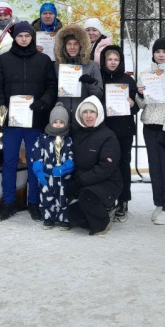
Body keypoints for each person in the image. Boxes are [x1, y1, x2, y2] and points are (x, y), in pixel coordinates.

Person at [0, 21, 57, 221]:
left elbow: (51, 87)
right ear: (15, 38)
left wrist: (43, 103)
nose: (24, 39)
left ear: (32, 37)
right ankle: (9, 202)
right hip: (12, 121)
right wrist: (0, 111)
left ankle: (34, 202)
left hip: (35, 120)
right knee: (9, 162)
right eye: (20, 36)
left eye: (27, 36)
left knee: (35, 162)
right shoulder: (4, 60)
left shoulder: (44, 60)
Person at [135, 38, 165, 225]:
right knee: (154, 167)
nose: (161, 55)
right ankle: (160, 203)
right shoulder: (146, 74)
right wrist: (139, 94)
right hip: (149, 126)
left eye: (164, 52)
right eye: (157, 52)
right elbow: (142, 105)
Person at [68, 97, 122, 236]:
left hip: (108, 182)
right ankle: (97, 210)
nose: (88, 116)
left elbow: (105, 167)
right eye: (85, 112)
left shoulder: (108, 136)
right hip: (85, 181)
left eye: (92, 112)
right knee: (70, 215)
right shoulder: (77, 133)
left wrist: (80, 182)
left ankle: (103, 222)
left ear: (99, 114)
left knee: (88, 197)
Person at [99, 45, 138, 223]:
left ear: (120, 61)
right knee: (105, 165)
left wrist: (132, 104)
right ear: (104, 61)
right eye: (109, 59)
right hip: (104, 129)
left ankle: (123, 200)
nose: (113, 62)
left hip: (124, 130)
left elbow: (136, 107)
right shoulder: (99, 78)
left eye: (116, 59)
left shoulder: (128, 80)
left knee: (123, 165)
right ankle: (107, 199)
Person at [31, 103, 75, 229]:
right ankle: (48, 218)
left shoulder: (68, 140)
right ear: (51, 122)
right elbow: (36, 155)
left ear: (66, 123)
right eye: (55, 122)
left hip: (63, 177)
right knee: (46, 197)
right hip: (47, 175)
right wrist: (39, 171)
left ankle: (64, 219)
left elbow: (72, 157)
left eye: (61, 122)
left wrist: (65, 168)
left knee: (63, 198)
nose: (58, 125)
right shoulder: (43, 139)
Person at [54, 24, 104, 123]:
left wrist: (91, 83)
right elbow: (51, 90)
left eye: (76, 44)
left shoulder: (92, 66)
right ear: (63, 46)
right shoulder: (57, 66)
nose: (72, 47)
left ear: (81, 45)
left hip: (83, 116)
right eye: (69, 44)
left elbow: (98, 95)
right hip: (62, 117)